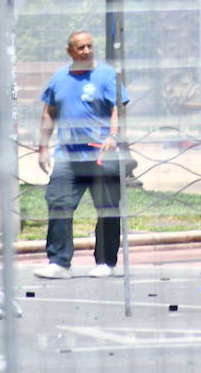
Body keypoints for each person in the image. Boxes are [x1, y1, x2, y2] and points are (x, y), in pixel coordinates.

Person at [34, 30, 128, 279]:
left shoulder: (106, 74)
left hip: (100, 154)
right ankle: (59, 262)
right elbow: (48, 113)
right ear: (70, 51)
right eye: (80, 47)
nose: (86, 51)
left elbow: (117, 108)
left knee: (107, 208)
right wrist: (43, 147)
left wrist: (112, 135)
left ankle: (106, 262)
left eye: (89, 46)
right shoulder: (58, 79)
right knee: (58, 203)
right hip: (67, 156)